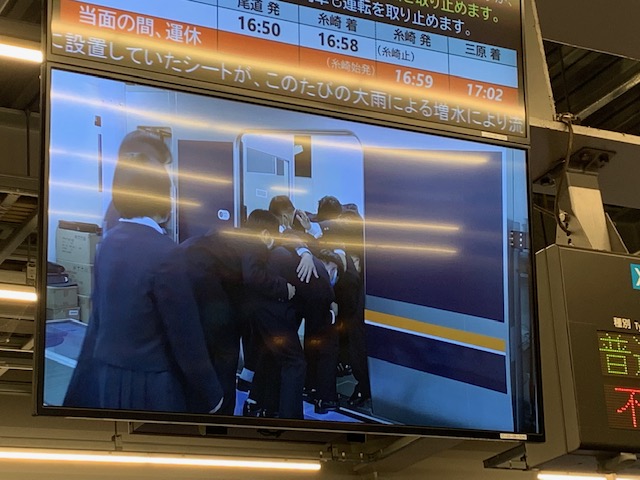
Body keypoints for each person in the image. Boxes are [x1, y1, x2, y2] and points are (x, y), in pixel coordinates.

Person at [64, 143, 223, 414]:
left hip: (107, 380)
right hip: (153, 387)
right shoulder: (166, 252)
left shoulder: (108, 243)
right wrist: (211, 393)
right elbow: (184, 334)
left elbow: (98, 317)